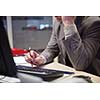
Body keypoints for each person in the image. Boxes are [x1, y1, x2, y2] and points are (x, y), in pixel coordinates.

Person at [25, 16, 100, 76]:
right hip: (66, 72)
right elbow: (52, 49)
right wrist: (41, 58)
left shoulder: (94, 23)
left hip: (89, 76)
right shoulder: (58, 22)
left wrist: (69, 24)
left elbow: (80, 64)